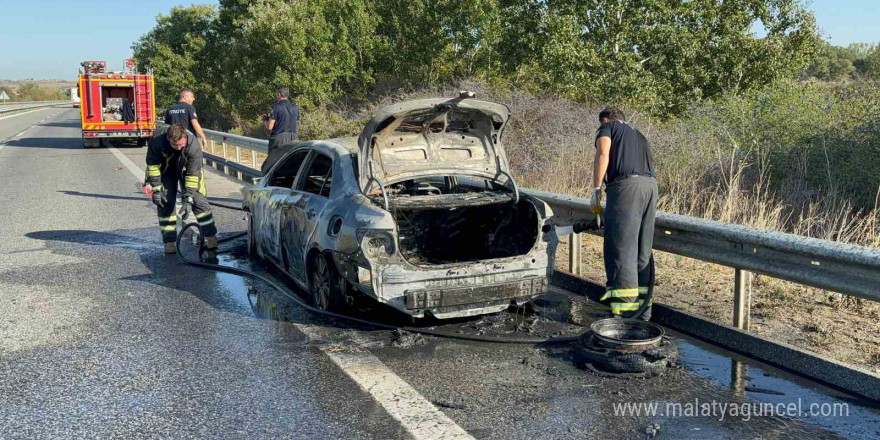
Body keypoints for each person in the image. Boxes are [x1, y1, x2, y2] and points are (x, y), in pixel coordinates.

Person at [591, 107, 657, 320]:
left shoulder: (608, 127)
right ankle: (644, 311)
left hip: (626, 188)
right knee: (642, 250)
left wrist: (596, 188)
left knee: (621, 249)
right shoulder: (639, 134)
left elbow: (603, 153)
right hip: (650, 187)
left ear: (606, 118)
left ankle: (625, 314)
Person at [146, 124, 218, 256]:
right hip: (166, 170)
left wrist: (188, 198)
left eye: (181, 145)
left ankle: (211, 238)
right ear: (168, 139)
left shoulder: (193, 145)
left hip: (187, 169)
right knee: (165, 201)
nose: (179, 148)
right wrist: (156, 189)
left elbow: (193, 174)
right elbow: (153, 166)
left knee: (198, 200)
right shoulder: (156, 140)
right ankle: (169, 242)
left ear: (185, 137)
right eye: (175, 145)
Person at [265, 86, 299, 155]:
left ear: (279, 94)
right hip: (294, 138)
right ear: (287, 95)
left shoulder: (276, 107)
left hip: (279, 139)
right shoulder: (295, 107)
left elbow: (270, 127)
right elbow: (296, 123)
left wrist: (265, 120)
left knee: (274, 163)